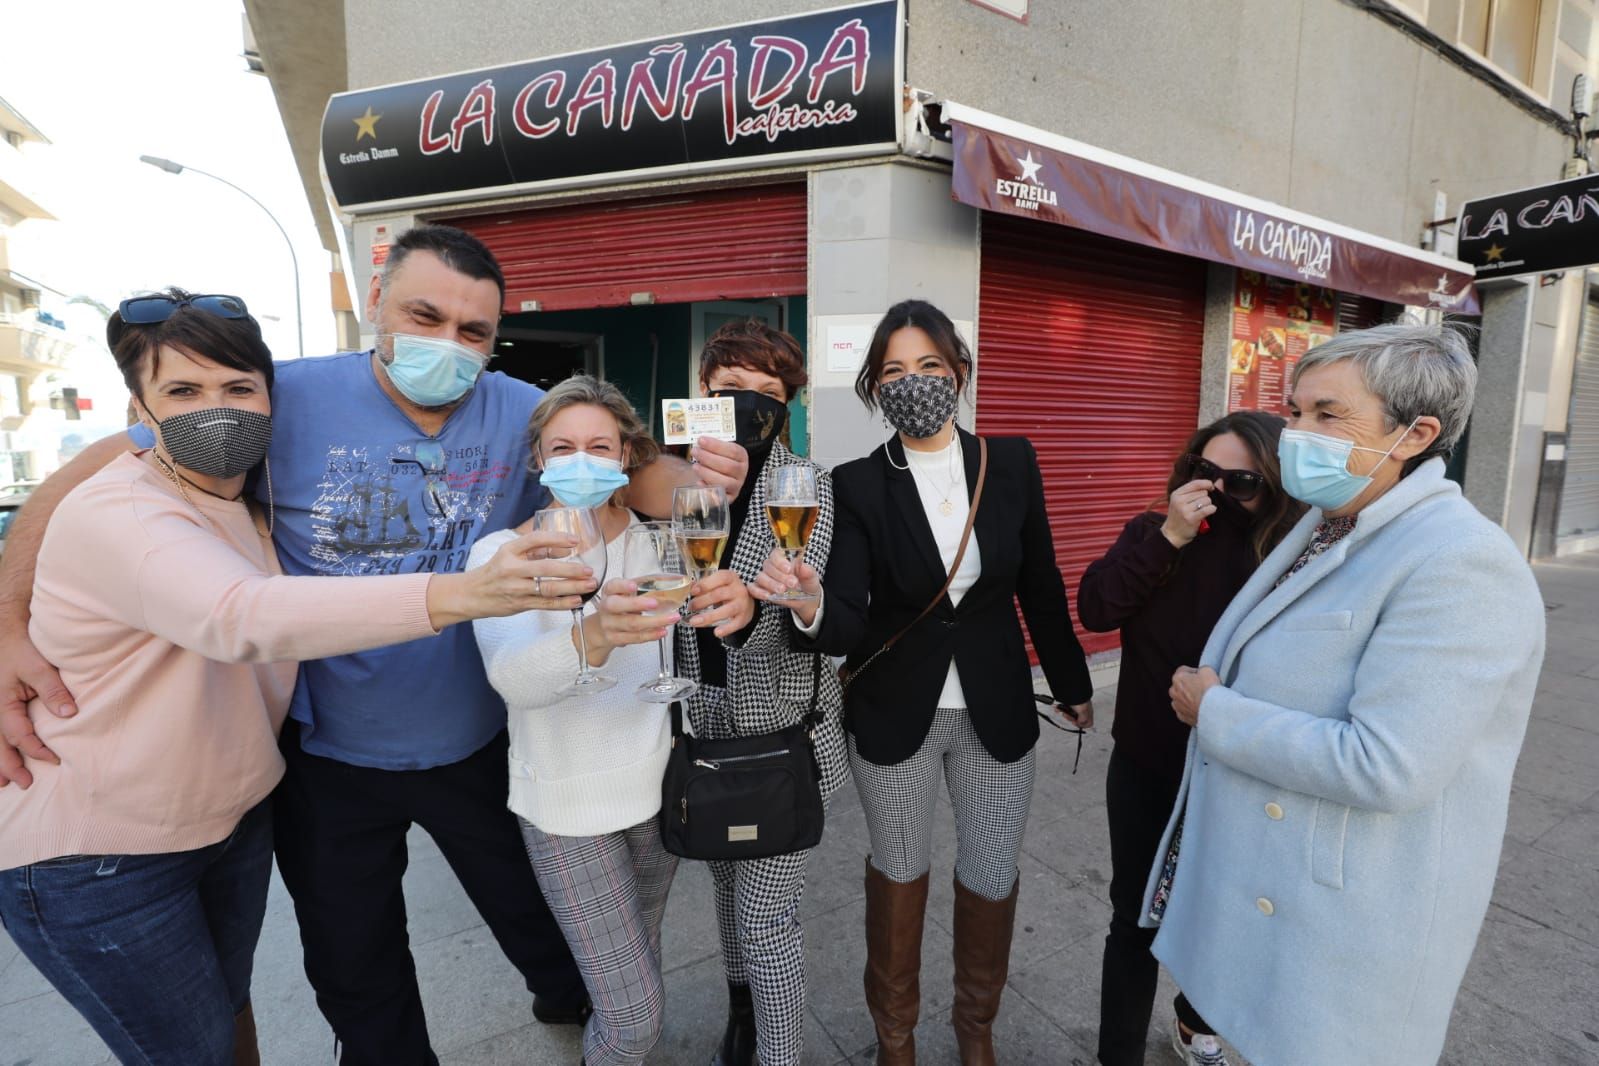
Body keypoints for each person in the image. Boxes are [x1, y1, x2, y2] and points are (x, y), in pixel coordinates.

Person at [0, 225, 748, 1066]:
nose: (448, 344)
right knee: (355, 964)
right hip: (328, 756)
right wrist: (6, 624)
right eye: (424, 316)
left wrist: (703, 490)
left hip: (475, 739)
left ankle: (568, 998)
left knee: (539, 919)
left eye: (472, 330)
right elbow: (96, 475)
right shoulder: (277, 396)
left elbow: (628, 467)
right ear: (375, 303)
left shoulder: (514, 407)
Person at [1151, 324, 1545, 1066]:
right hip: (1279, 892)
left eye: (1328, 415)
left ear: (1414, 434)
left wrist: (1217, 713)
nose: (1297, 434)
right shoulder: (1327, 521)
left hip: (1345, 919)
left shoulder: (1460, 562)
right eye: (1295, 411)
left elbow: (1389, 765)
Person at [756, 299, 1095, 1066]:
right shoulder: (855, 483)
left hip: (995, 707)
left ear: (959, 372)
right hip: (895, 711)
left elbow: (1039, 585)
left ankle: (975, 1030)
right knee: (899, 872)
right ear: (875, 387)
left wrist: (1070, 681)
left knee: (991, 873)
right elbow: (846, 615)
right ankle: (895, 1038)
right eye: (894, 371)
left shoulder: (1010, 463)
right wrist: (810, 607)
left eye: (930, 365)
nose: (914, 382)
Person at [470, 375, 757, 1066]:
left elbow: (710, 617)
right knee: (634, 1020)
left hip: (656, 794)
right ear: (538, 458)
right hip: (565, 809)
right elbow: (513, 679)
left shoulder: (661, 542)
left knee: (637, 966)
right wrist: (595, 634)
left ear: (627, 455)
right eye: (562, 447)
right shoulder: (502, 554)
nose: (581, 460)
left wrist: (739, 604)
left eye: (599, 446)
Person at [652, 318, 849, 1066]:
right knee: (727, 889)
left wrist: (750, 611)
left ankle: (778, 1053)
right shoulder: (670, 478)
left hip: (781, 732)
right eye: (731, 387)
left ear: (787, 405)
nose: (747, 404)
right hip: (700, 721)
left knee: (768, 918)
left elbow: (794, 601)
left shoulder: (805, 483)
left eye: (767, 392)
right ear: (702, 391)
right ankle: (742, 1017)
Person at [1078, 411, 1302, 1066]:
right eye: (1204, 472)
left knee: (1228, 917)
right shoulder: (1154, 533)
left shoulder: (1288, 557)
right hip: (1148, 763)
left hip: (1241, 772)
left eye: (1240, 482)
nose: (1215, 491)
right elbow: (1097, 607)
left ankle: (1194, 1019)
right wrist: (1171, 536)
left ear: (1274, 487)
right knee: (1133, 919)